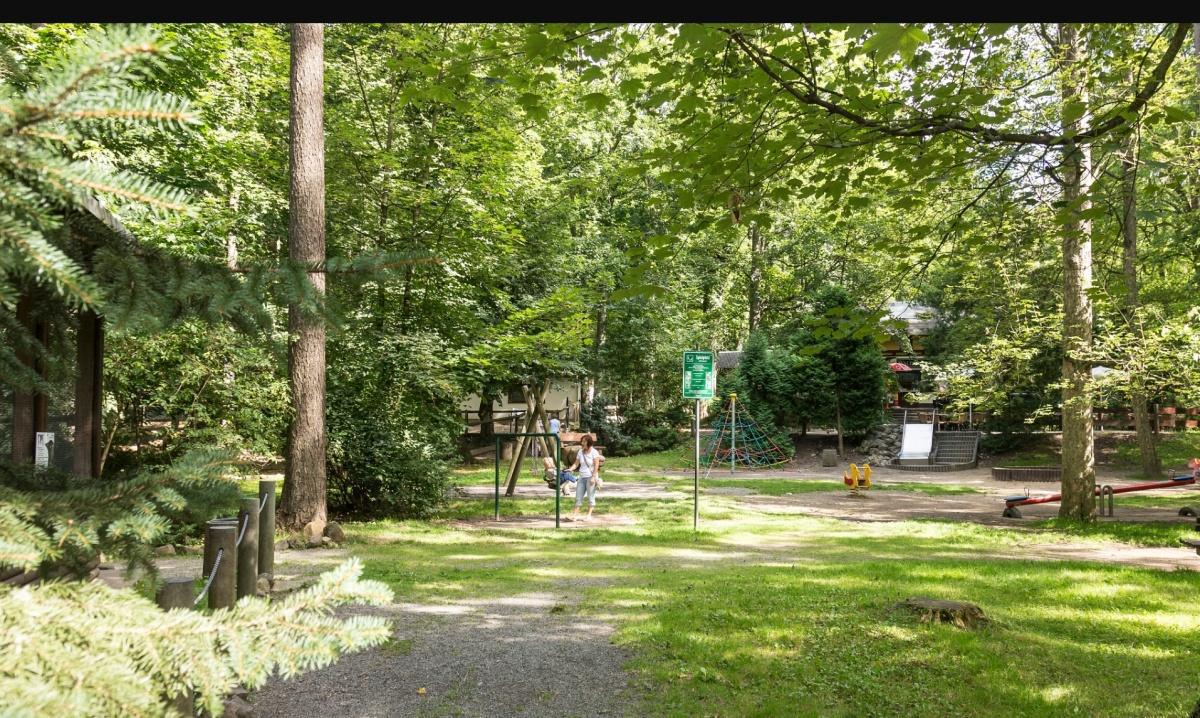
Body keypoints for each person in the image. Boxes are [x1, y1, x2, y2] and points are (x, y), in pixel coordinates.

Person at [567, 433, 603, 521]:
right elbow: (576, 463)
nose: (582, 443)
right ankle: (574, 516)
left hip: (591, 477)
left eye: (584, 442)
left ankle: (588, 516)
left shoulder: (594, 452)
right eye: (582, 441)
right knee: (578, 497)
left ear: (589, 443)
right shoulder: (580, 451)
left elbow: (596, 466)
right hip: (581, 477)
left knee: (591, 496)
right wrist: (570, 469)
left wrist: (593, 477)